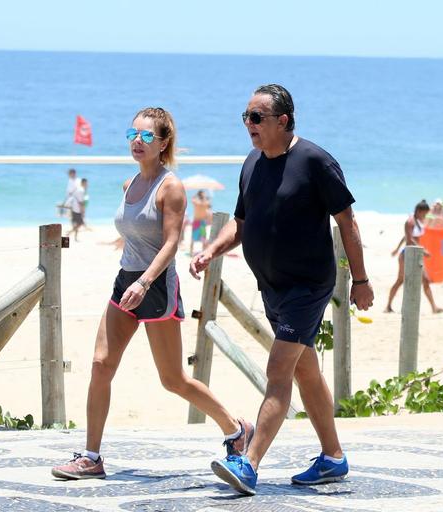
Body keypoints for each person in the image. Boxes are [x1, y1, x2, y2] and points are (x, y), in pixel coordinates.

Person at [190, 84, 374, 496]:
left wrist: (360, 280)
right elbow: (241, 222)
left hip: (307, 287)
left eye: (256, 118)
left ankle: (249, 463)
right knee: (305, 371)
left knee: (278, 373)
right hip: (271, 287)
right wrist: (210, 252)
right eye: (246, 117)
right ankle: (333, 458)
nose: (249, 125)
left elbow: (347, 221)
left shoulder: (314, 161)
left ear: (282, 121)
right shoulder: (252, 162)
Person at [50, 107, 252, 480]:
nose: (136, 143)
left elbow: (172, 243)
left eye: (145, 137)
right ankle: (92, 457)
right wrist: (127, 266)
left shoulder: (170, 186)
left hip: (156, 286)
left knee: (172, 380)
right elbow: (132, 232)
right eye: (132, 135)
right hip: (125, 281)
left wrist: (144, 283)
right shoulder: (130, 184)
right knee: (100, 364)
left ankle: (236, 428)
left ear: (163, 143)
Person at [384, 200, 443, 314]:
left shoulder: (417, 221)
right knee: (400, 280)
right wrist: (423, 250)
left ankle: (434, 308)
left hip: (415, 254)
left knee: (425, 280)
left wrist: (397, 248)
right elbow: (409, 238)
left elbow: (405, 237)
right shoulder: (410, 221)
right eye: (424, 213)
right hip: (408, 255)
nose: (425, 216)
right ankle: (388, 306)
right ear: (419, 211)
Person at [189, 189, 211, 255]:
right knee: (201, 237)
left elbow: (192, 199)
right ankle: (202, 252)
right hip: (200, 222)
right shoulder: (204, 203)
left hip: (199, 222)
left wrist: (196, 195)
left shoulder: (197, 202)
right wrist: (204, 197)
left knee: (198, 238)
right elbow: (208, 204)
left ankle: (191, 252)